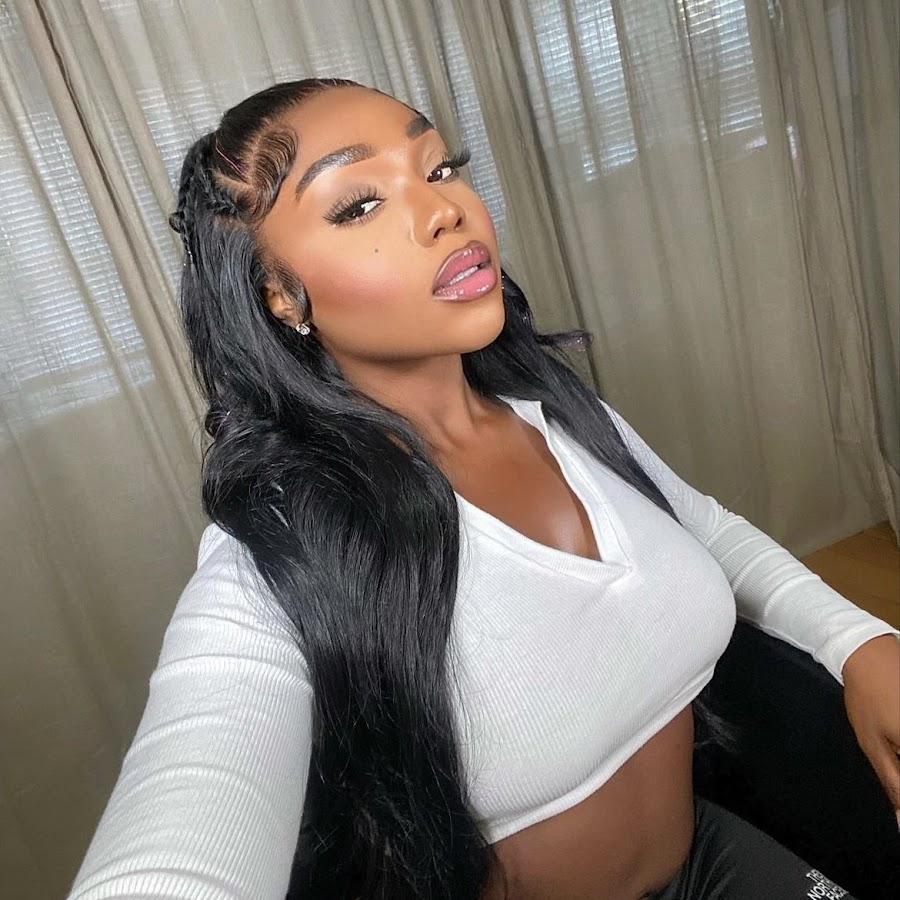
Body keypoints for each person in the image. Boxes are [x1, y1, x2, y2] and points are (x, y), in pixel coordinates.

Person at [67, 78, 899, 900]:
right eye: (359, 205)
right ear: (281, 296)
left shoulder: (554, 411)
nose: (444, 210)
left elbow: (703, 527)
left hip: (708, 856)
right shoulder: (283, 550)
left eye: (438, 168)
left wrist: (857, 642)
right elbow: (189, 810)